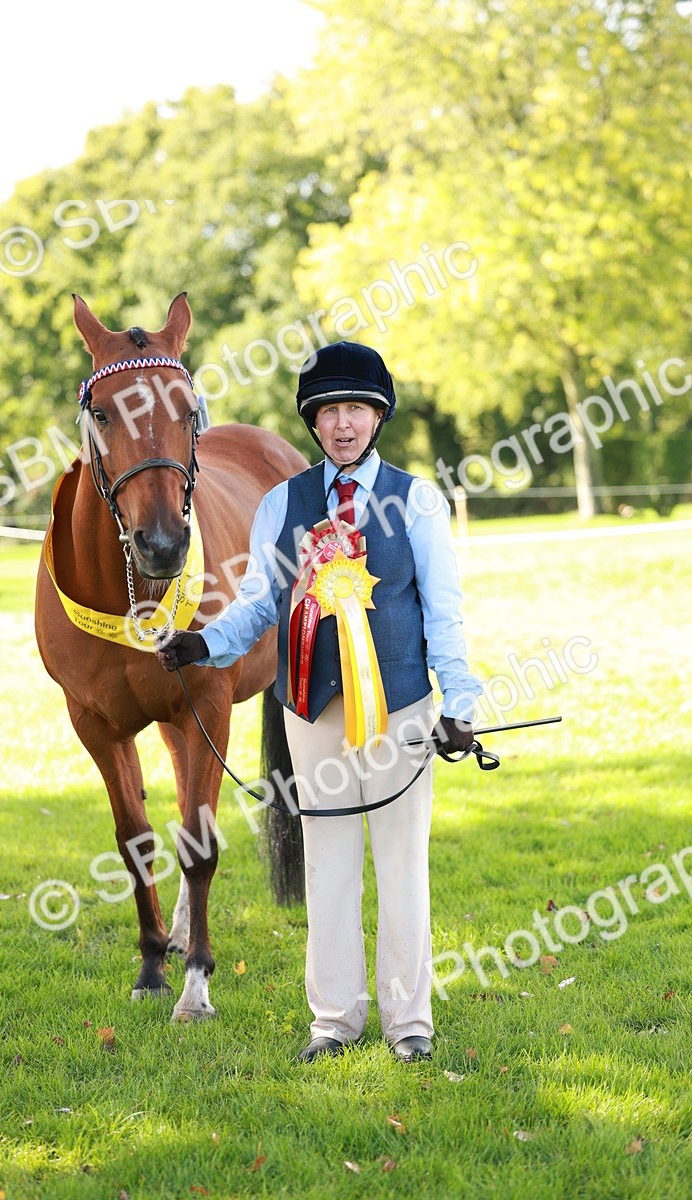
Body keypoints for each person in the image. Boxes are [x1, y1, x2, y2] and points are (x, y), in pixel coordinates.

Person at [157, 342, 482, 1063]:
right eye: (329, 410)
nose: (343, 424)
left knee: (401, 862)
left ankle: (409, 1021)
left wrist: (460, 703)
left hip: (399, 706)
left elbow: (446, 612)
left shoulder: (416, 501)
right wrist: (202, 646)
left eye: (357, 410)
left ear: (378, 417)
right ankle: (333, 1020)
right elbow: (254, 608)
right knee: (327, 861)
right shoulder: (282, 505)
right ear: (312, 419)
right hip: (311, 711)